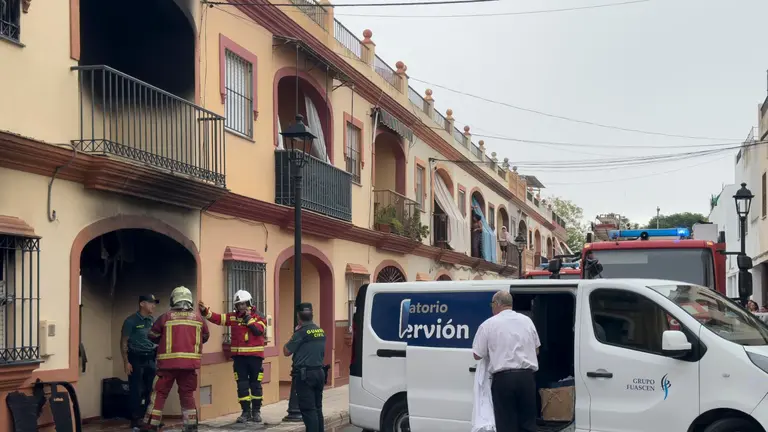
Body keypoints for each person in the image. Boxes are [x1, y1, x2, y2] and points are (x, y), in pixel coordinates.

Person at [141, 286, 209, 432]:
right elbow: (205, 337)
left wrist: (164, 340)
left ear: (173, 300)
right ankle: (190, 426)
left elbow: (152, 335)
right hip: (189, 367)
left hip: (167, 366)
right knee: (187, 395)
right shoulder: (198, 318)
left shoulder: (165, 317)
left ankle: (150, 426)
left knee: (159, 394)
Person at [472, 290, 540, 432]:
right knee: (528, 423)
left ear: (497, 304)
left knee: (506, 424)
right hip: (527, 378)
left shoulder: (489, 324)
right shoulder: (527, 321)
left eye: (492, 305)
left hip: (504, 380)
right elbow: (537, 350)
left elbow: (477, 355)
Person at [198, 290, 267, 423]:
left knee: (255, 385)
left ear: (249, 303)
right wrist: (205, 312)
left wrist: (249, 320)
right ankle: (245, 412)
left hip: (255, 357)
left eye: (243, 304)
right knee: (242, 385)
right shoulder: (233, 317)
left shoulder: (258, 316)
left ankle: (256, 412)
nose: (241, 307)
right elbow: (218, 318)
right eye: (238, 304)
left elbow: (259, 330)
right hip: (239, 358)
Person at [283, 302, 327, 432]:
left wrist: (295, 333)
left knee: (308, 410)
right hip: (319, 372)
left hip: (305, 375)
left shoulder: (301, 333)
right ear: (312, 314)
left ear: (298, 316)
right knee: (318, 408)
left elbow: (286, 351)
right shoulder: (320, 331)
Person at [121, 294, 160, 429]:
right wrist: (126, 362)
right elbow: (124, 341)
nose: (153, 306)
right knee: (136, 390)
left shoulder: (151, 320)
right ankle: (135, 419)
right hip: (136, 358)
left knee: (152, 389)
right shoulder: (131, 321)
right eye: (151, 303)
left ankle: (148, 418)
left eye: (154, 303)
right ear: (142, 304)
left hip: (150, 358)